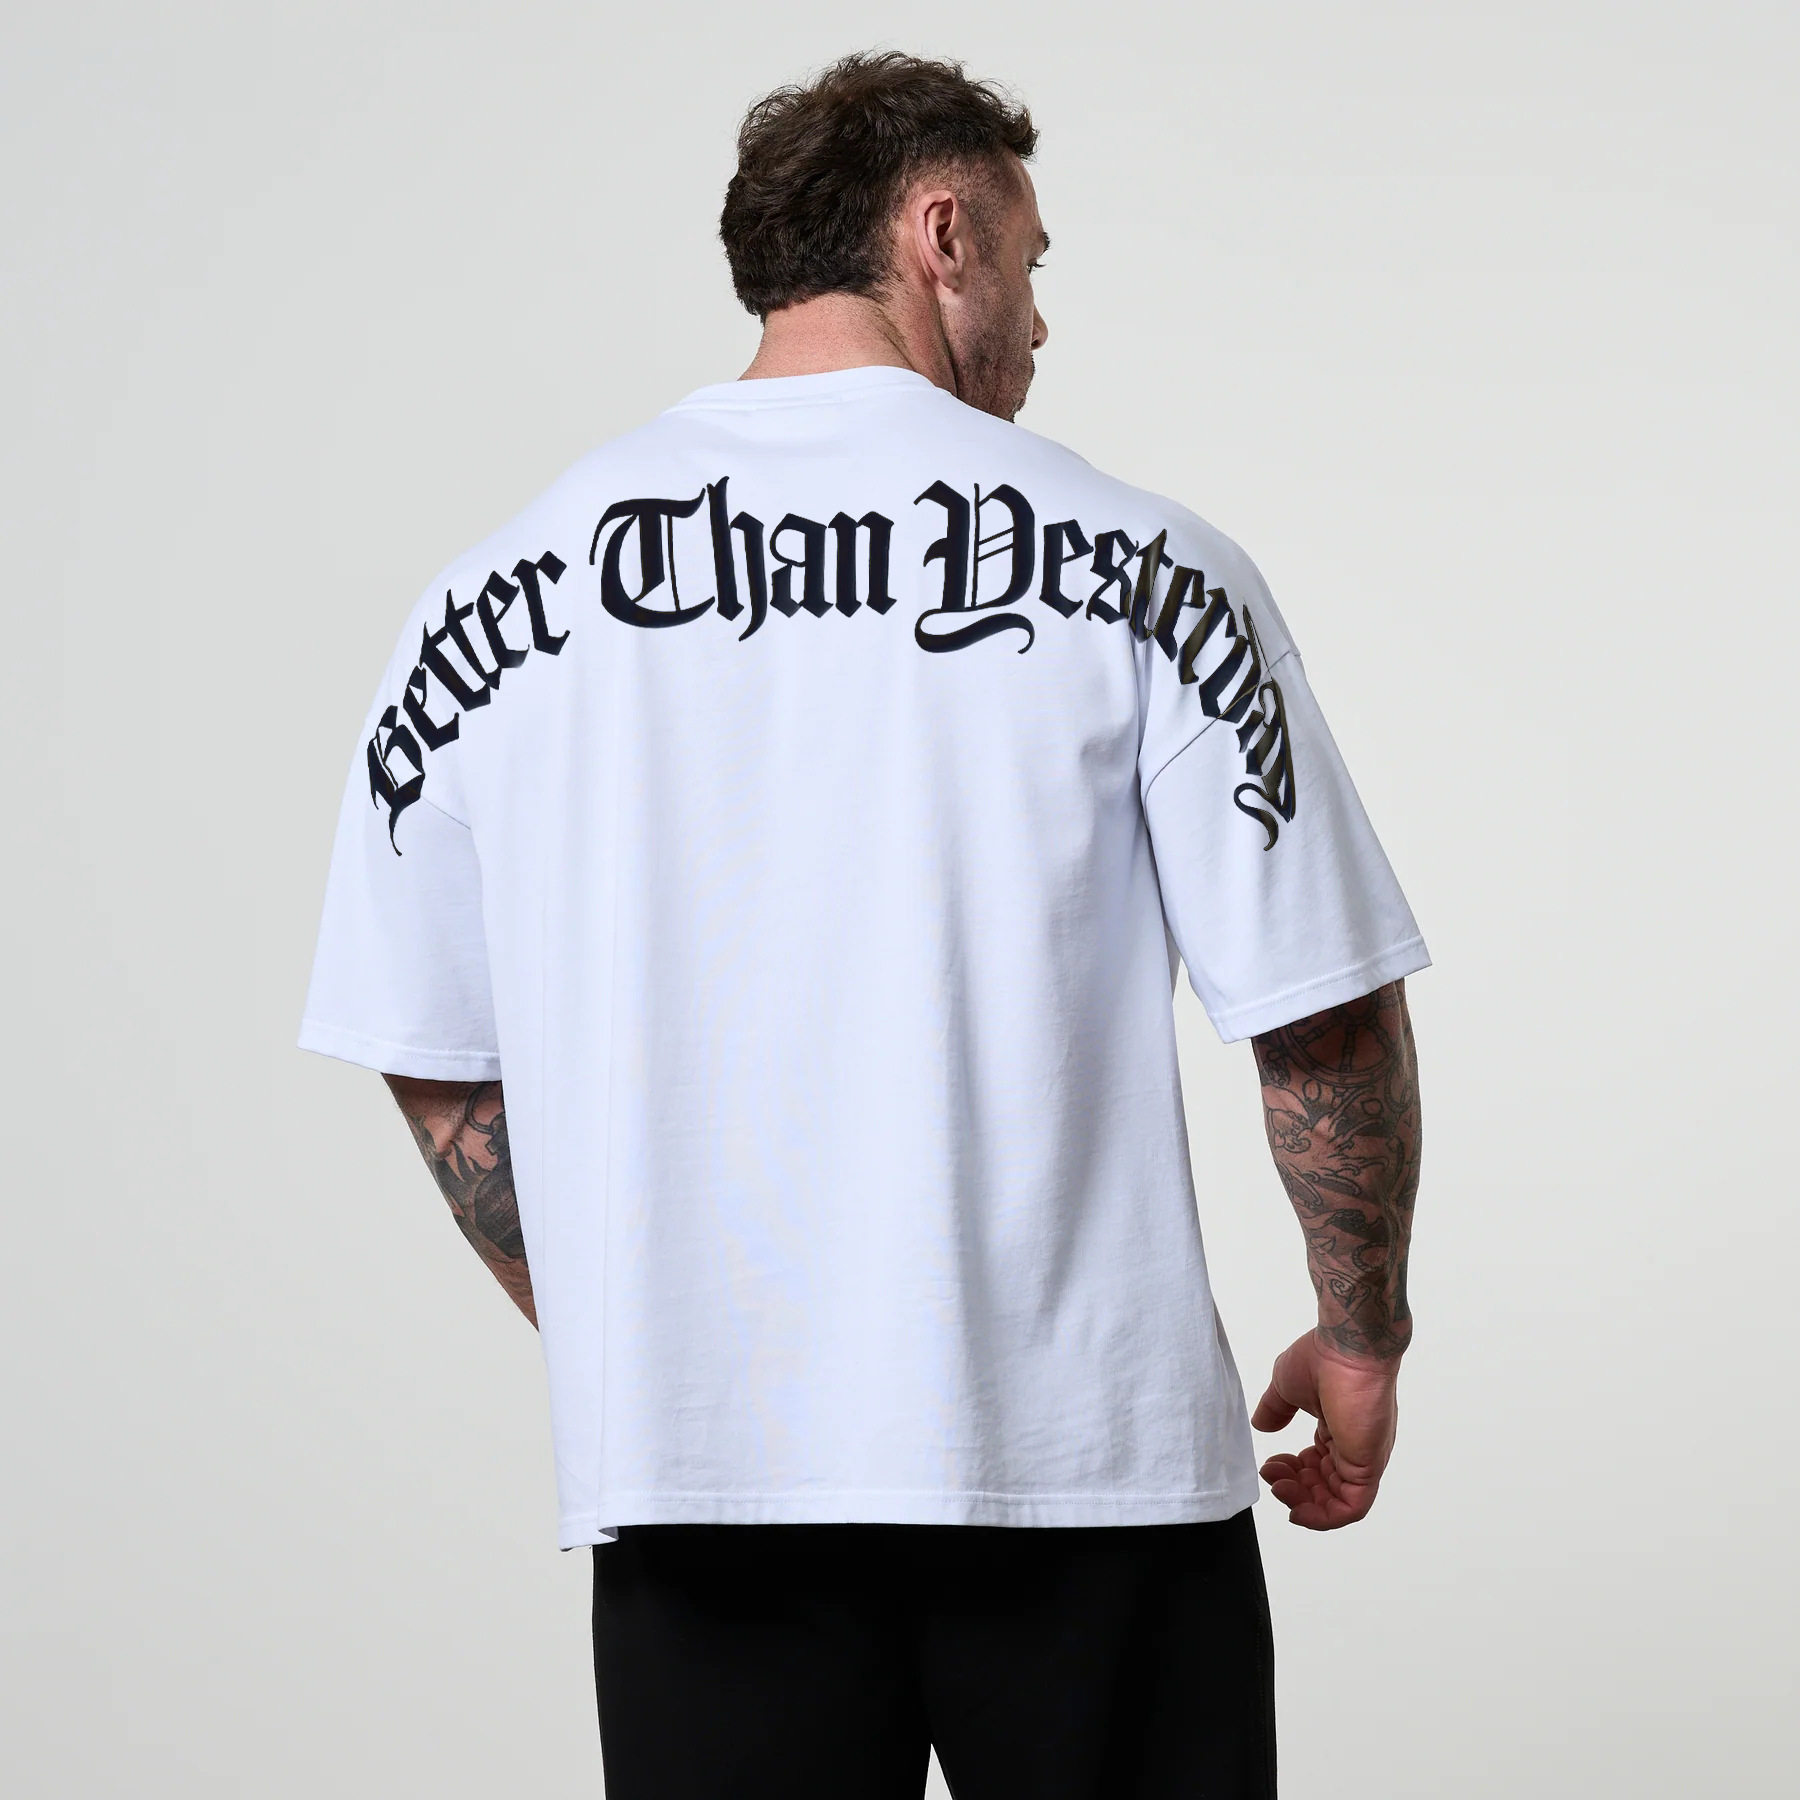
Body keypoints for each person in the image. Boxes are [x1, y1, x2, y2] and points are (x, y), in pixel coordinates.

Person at [300, 49, 1427, 1800]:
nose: (1041, 324)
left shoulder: (486, 604)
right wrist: (1361, 1337)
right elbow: (1320, 1020)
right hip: (1090, 1473)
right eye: (1032, 264)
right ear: (941, 232)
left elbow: (432, 1056)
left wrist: (629, 1317)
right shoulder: (1152, 571)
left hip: (703, 1486)